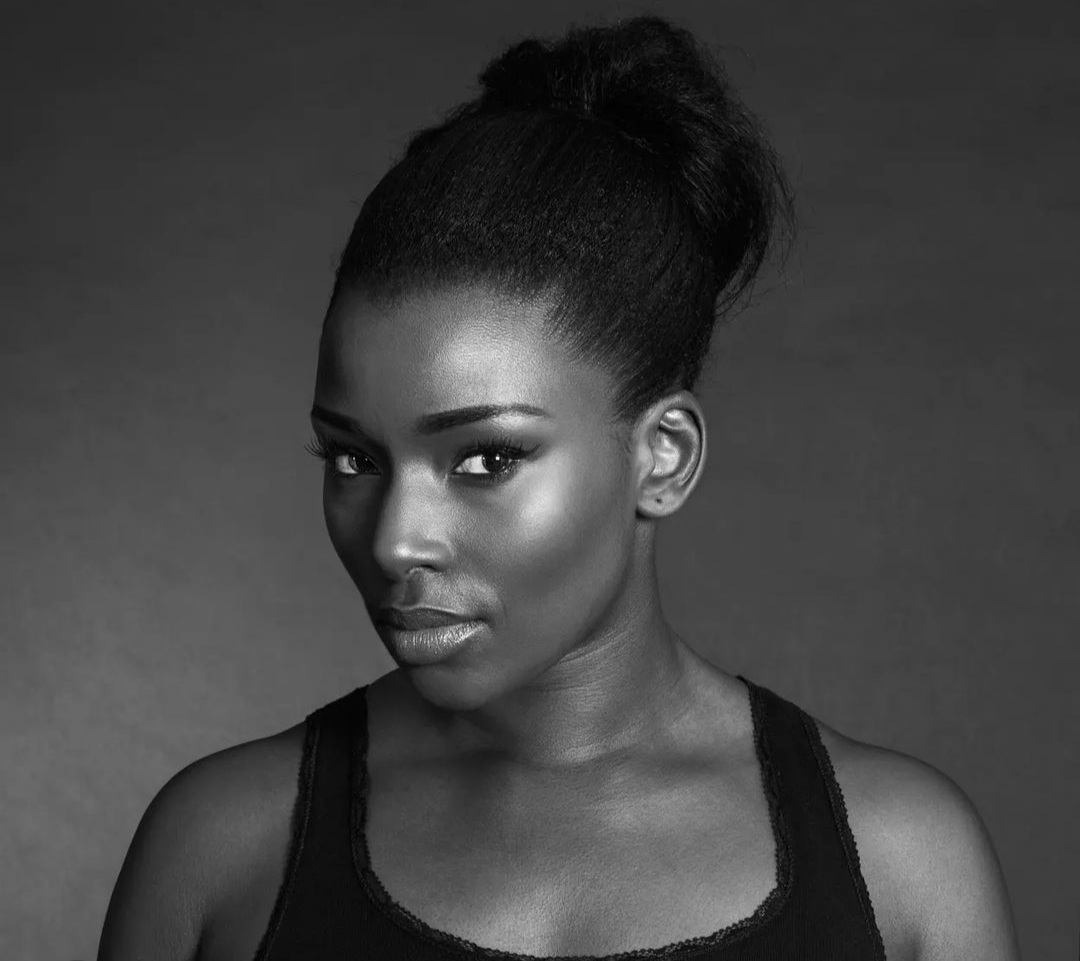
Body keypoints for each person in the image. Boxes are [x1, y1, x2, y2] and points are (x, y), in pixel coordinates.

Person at [96, 15, 1020, 961]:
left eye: (486, 459)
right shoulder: (221, 850)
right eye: (355, 460)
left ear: (663, 457)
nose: (393, 539)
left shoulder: (902, 867)